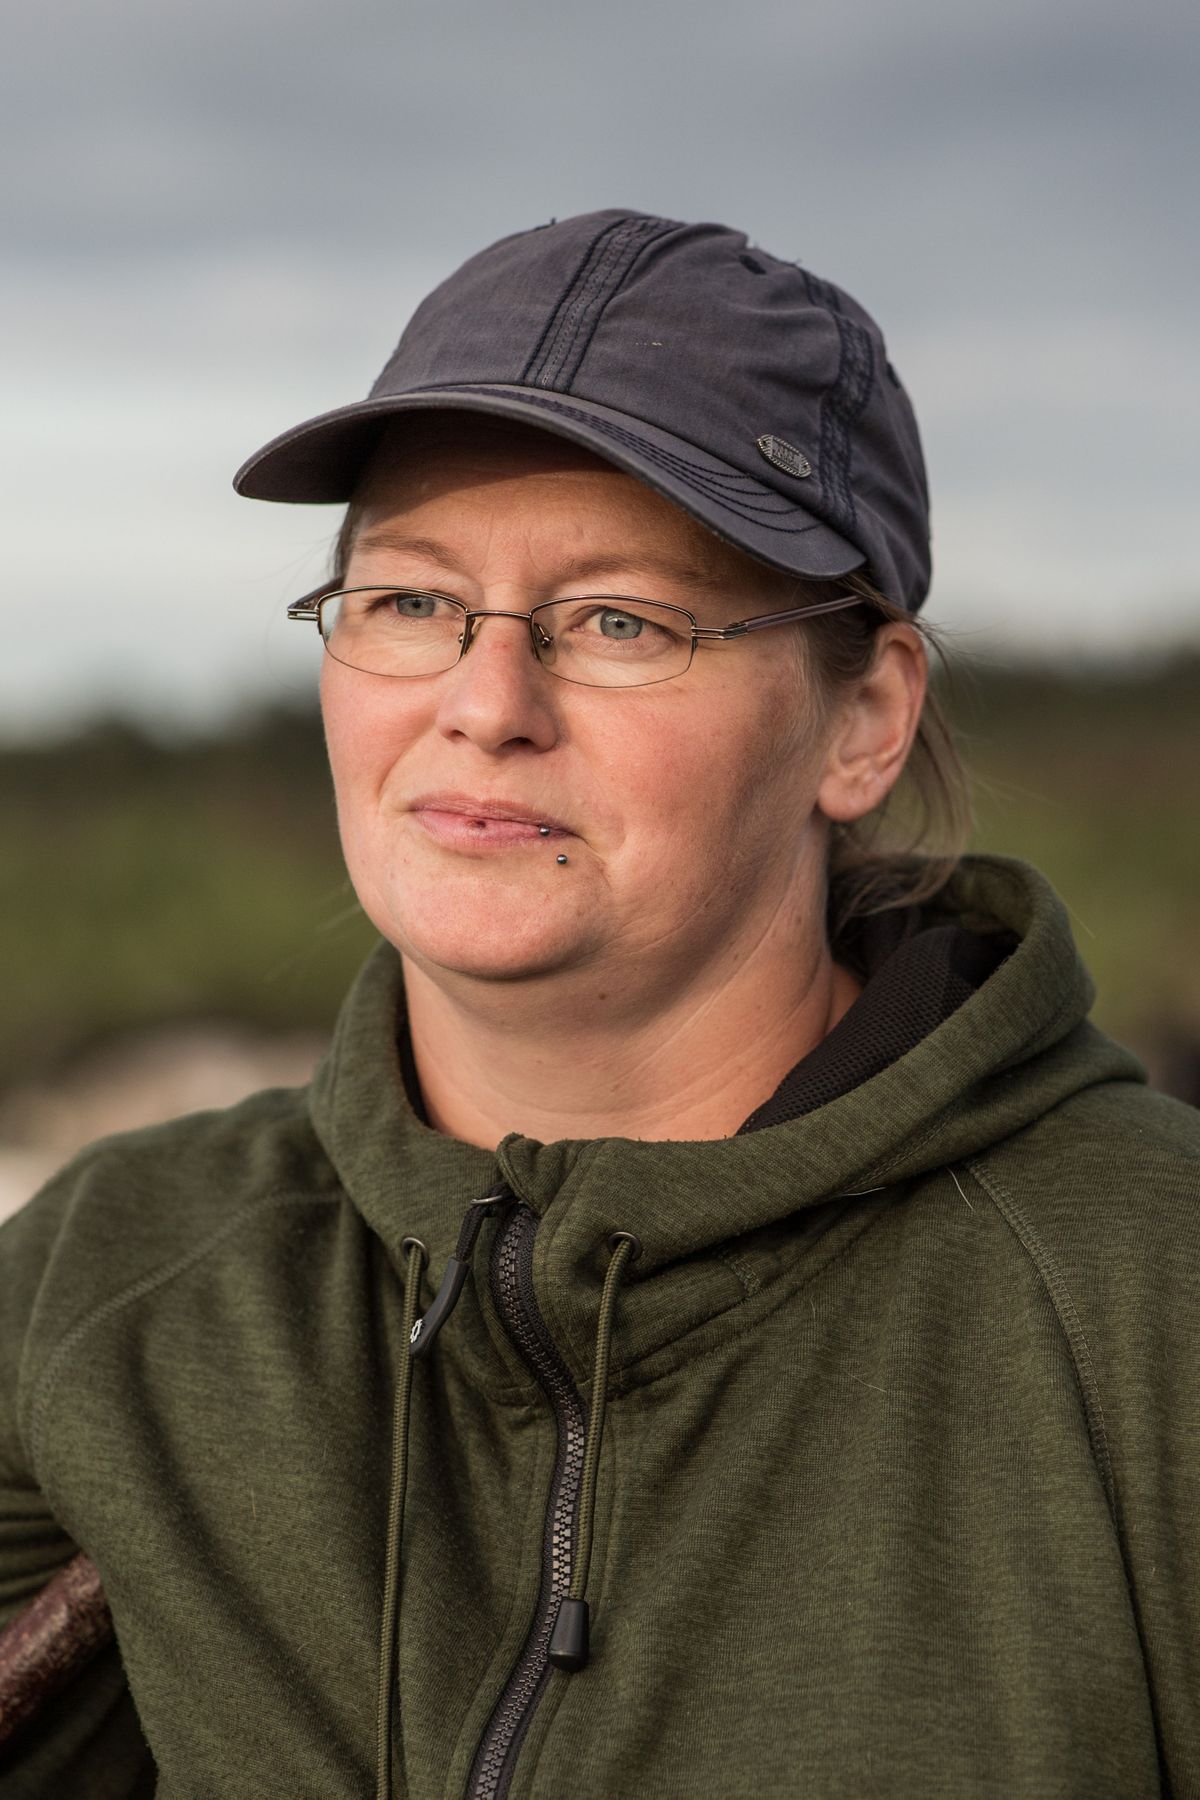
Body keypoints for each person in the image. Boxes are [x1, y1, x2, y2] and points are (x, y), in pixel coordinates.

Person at [1, 209, 1197, 1799]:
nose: (485, 705)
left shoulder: (1150, 1301)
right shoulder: (119, 1274)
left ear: (867, 721)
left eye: (621, 621)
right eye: (411, 602)